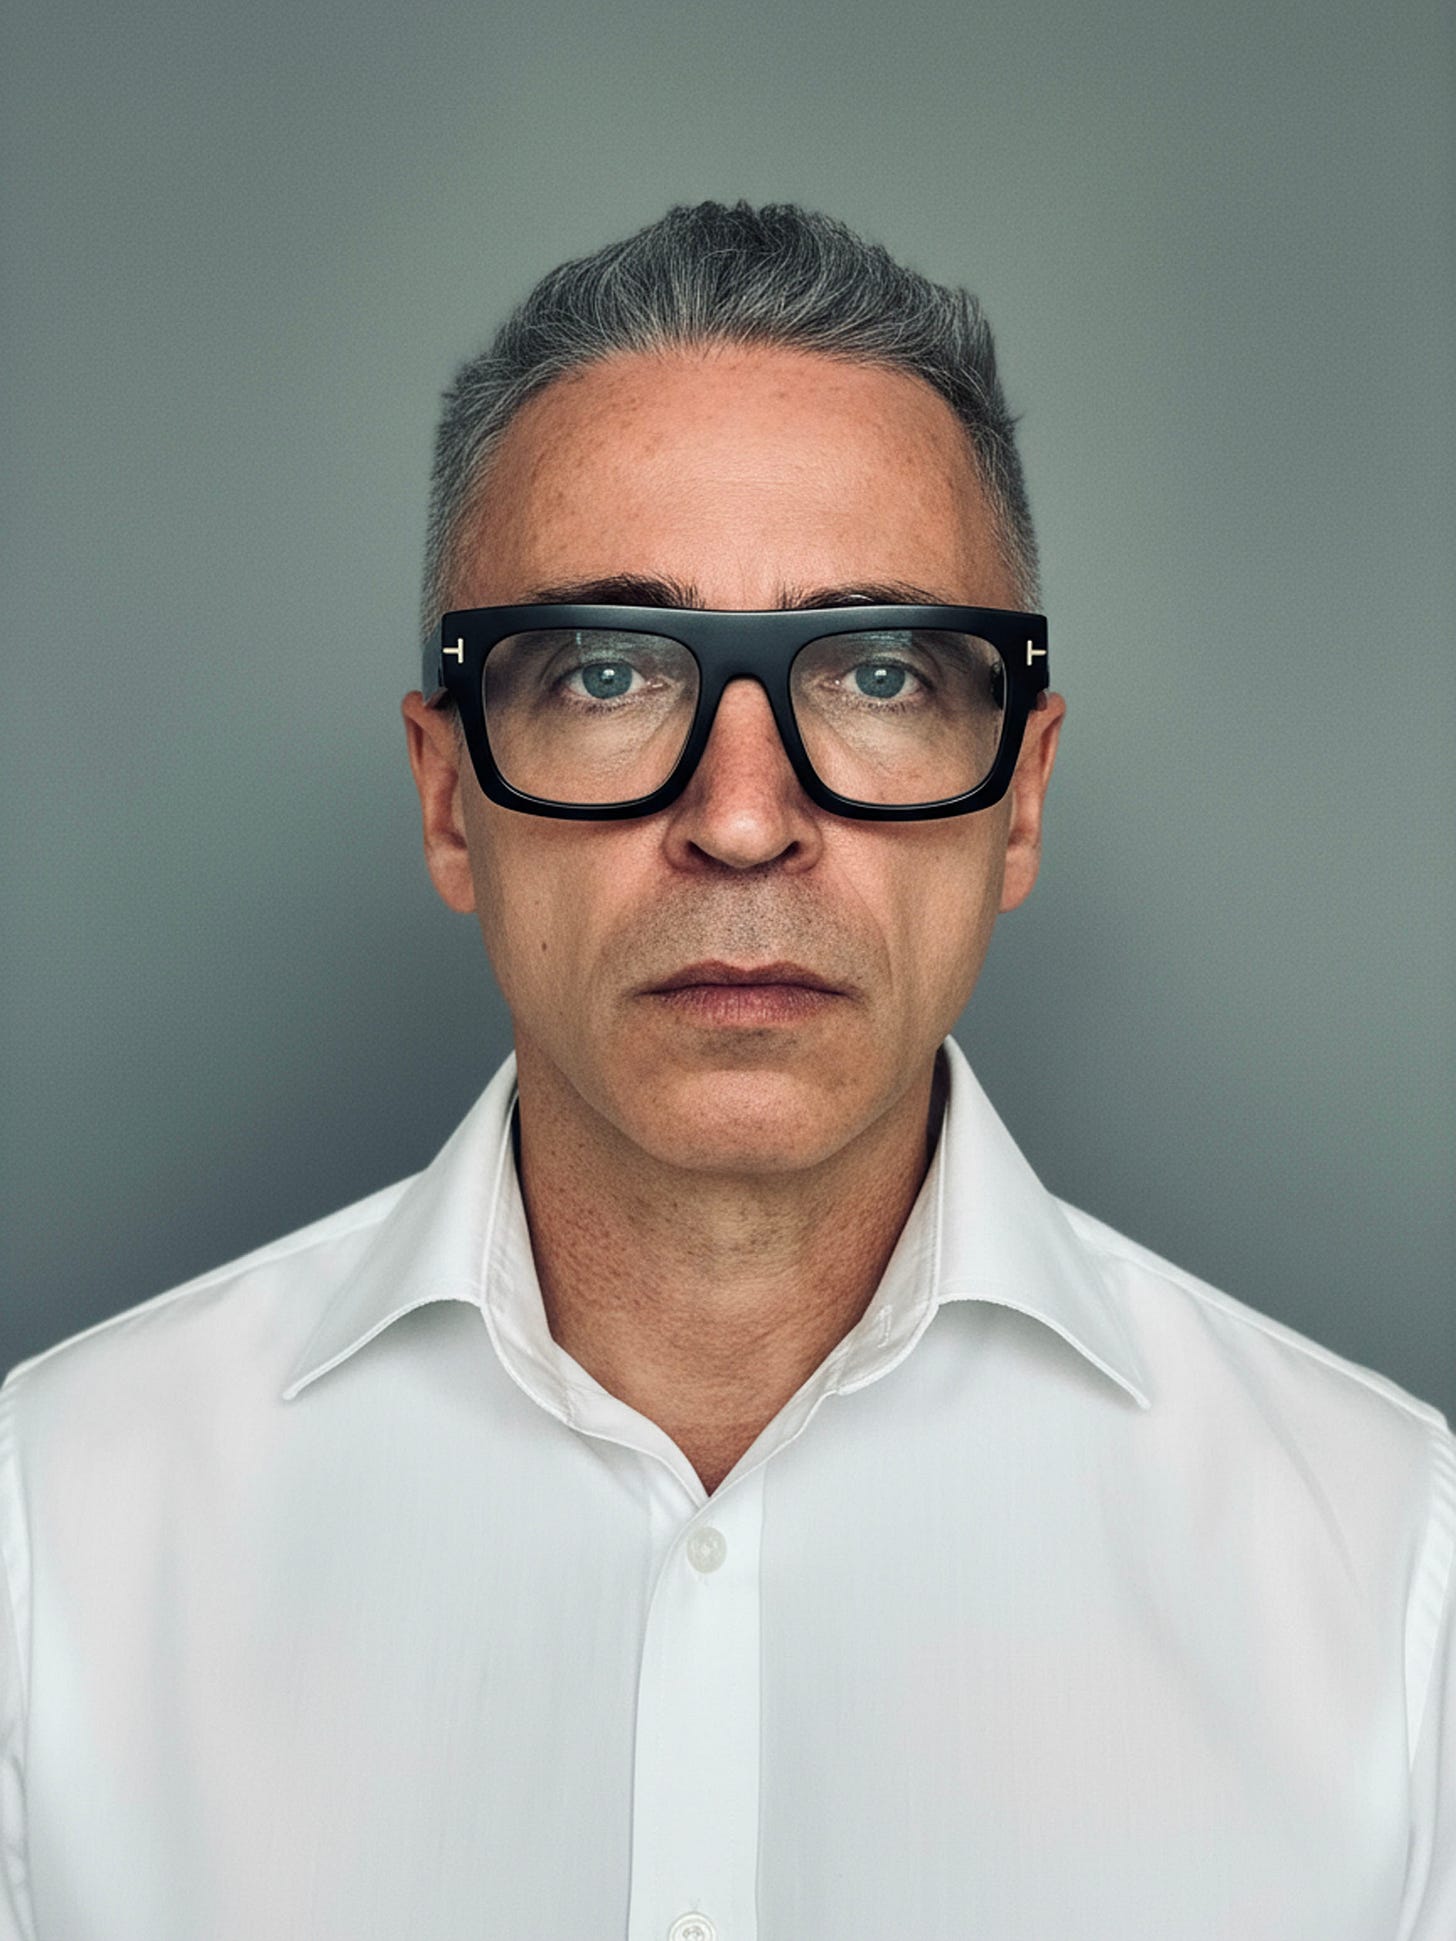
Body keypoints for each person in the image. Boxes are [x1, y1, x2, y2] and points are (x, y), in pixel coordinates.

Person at [0, 201, 1450, 1940]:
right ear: (450, 795)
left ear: (1024, 794)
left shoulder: (1387, 1568)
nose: (747, 818)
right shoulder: (57, 1530)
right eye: (608, 671)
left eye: (882, 671)